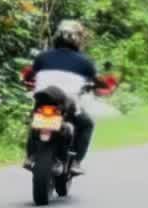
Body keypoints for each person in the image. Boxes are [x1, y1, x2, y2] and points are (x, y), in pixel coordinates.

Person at [24, 20, 102, 172]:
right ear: (77, 39)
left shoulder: (42, 57)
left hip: (43, 98)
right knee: (87, 124)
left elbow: (30, 76)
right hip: (67, 103)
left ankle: (31, 156)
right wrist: (100, 87)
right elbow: (97, 82)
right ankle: (76, 162)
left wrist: (29, 82)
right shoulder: (85, 62)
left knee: (34, 121)